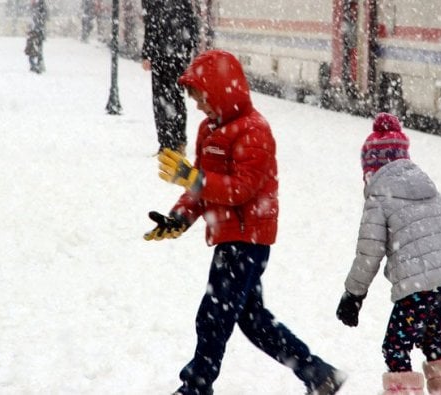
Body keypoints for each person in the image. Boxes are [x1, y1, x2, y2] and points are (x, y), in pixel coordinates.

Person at [144, 49, 346, 395]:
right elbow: (202, 187)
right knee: (252, 321)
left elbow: (239, 189)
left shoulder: (254, 131)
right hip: (231, 238)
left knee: (214, 315)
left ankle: (195, 386)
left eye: (201, 98)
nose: (197, 107)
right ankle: (318, 374)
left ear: (220, 91)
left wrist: (192, 178)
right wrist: (178, 218)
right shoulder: (209, 130)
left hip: (248, 240)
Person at [335, 112, 441, 395]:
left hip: (420, 287)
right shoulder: (431, 189)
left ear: (371, 168)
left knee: (395, 346)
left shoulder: (379, 195)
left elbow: (369, 254)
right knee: (430, 334)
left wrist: (353, 296)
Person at [140, 0, 198, 154]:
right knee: (174, 98)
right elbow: (191, 24)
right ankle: (176, 142)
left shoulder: (157, 5)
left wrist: (147, 53)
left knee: (163, 99)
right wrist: (188, 50)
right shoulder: (180, 5)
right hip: (174, 56)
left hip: (166, 55)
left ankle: (169, 142)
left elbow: (151, 25)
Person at [25, 0, 47, 73]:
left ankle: (36, 65)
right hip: (36, 31)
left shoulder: (39, 7)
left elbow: (40, 18)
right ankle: (37, 65)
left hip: (36, 31)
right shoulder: (37, 8)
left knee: (35, 49)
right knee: (35, 49)